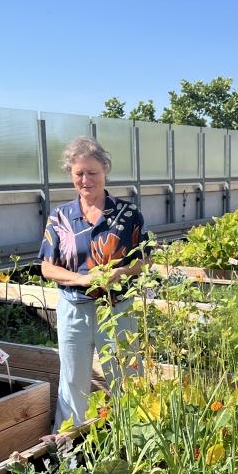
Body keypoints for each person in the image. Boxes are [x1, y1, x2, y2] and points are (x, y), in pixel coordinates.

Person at [39, 136, 149, 429]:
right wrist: (81, 278)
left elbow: (145, 260)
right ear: (71, 175)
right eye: (79, 173)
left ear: (105, 170)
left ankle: (133, 439)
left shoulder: (128, 215)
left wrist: (121, 273)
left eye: (92, 172)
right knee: (73, 381)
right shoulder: (60, 217)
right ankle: (70, 450)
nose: (85, 180)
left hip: (116, 310)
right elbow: (47, 268)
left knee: (126, 379)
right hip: (74, 311)